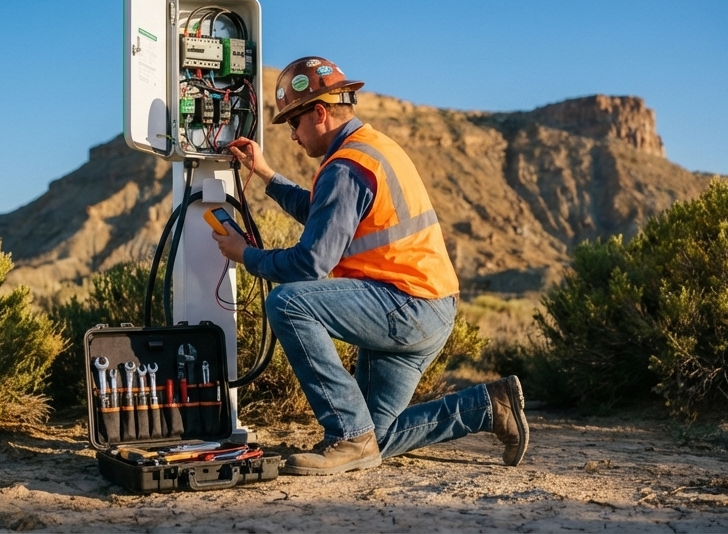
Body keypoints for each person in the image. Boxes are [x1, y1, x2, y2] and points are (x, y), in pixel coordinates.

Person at [214, 56, 529, 476]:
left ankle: (347, 438)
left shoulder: (346, 166)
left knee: (289, 303)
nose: (292, 135)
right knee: (375, 439)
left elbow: (310, 264)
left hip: (405, 306)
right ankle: (489, 406)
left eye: (293, 122)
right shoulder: (369, 147)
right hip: (427, 309)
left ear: (320, 113)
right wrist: (268, 176)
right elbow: (324, 213)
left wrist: (246, 255)